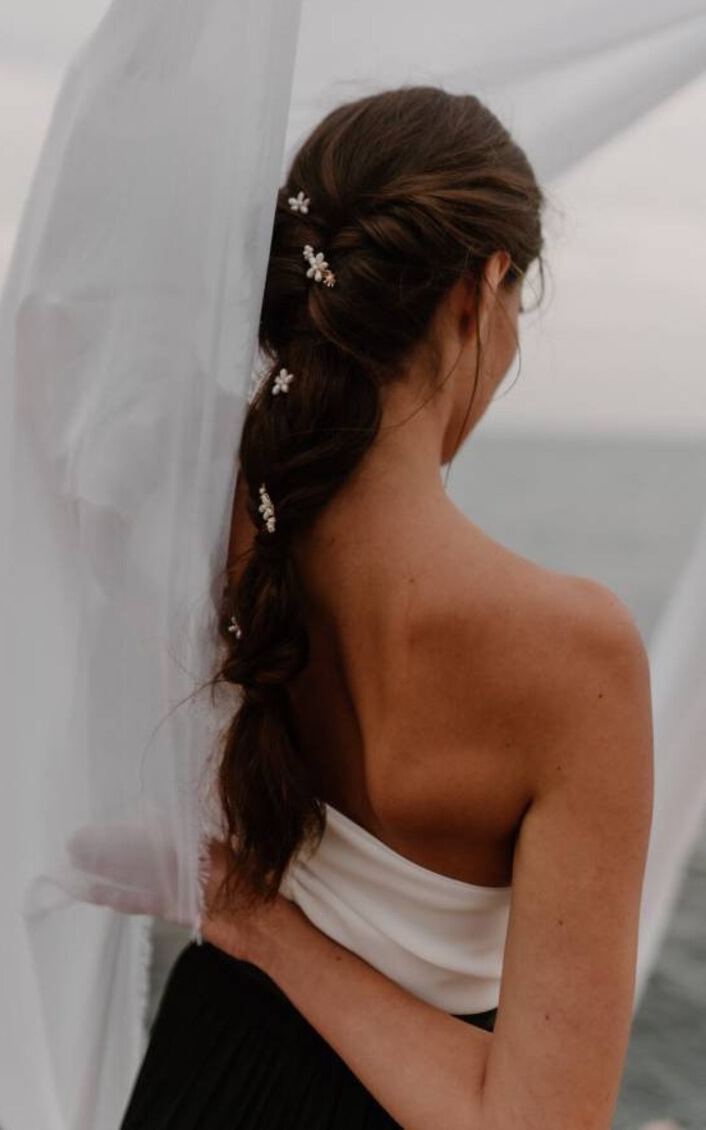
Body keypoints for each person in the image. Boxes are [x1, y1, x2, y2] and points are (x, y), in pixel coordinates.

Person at [119, 84, 653, 1130]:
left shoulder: (202, 502)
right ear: (481, 288)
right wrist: (259, 922)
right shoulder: (573, 653)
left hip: (199, 1075)